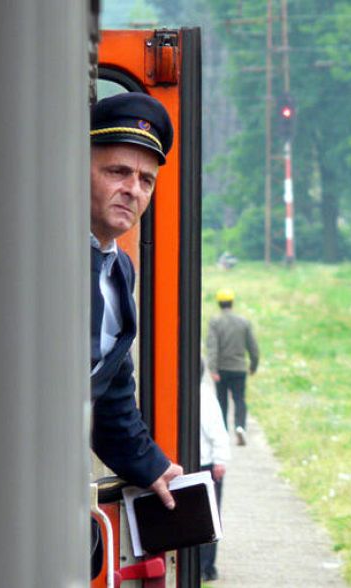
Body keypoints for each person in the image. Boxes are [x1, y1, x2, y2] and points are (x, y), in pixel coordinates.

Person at [89, 92, 183, 507]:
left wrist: (150, 466)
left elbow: (110, 391)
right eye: (118, 172)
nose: (133, 190)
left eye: (146, 181)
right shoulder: (36, 252)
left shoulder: (118, 269)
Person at [206, 288, 260, 445]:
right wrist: (253, 366)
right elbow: (253, 347)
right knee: (239, 399)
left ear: (219, 303)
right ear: (232, 302)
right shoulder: (243, 322)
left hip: (222, 369)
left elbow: (212, 347)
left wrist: (213, 369)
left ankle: (223, 432)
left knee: (222, 401)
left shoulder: (215, 322)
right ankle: (240, 427)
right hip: (239, 368)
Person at [199, 359, 230, 582]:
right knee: (207, 516)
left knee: (208, 517)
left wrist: (220, 460)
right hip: (203, 462)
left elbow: (218, 431)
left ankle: (206, 566)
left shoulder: (204, 397)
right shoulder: (203, 394)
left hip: (207, 464)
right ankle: (204, 566)